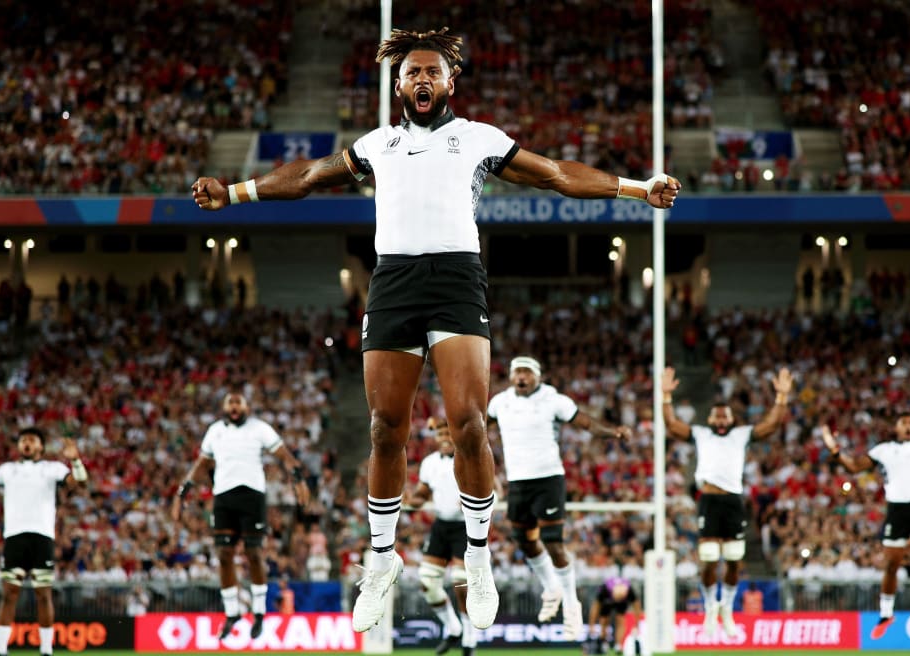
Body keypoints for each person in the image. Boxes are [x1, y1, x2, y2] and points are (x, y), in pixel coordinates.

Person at [191, 27, 680, 634]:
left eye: (432, 72)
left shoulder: (476, 138)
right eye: (411, 73)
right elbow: (311, 176)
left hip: (455, 278)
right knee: (383, 427)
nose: (422, 80)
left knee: (469, 423)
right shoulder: (379, 145)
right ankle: (380, 558)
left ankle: (478, 559)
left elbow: (554, 173)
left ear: (451, 82)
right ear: (398, 85)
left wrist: (637, 189)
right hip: (393, 280)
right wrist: (235, 193)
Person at [487, 356, 632, 640]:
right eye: (517, 372)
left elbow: (586, 422)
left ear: (538, 376)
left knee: (552, 541)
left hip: (548, 478)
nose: (521, 378)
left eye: (527, 372)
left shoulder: (554, 399)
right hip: (517, 481)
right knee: (525, 541)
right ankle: (551, 587)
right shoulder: (500, 402)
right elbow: (478, 424)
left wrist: (612, 432)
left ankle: (571, 603)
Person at [661, 366, 793, 638]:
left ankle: (727, 609)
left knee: (734, 560)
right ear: (710, 418)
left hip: (733, 500)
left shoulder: (741, 434)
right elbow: (673, 425)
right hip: (709, 499)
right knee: (709, 558)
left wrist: (781, 397)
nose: (721, 420)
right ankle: (710, 607)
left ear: (732, 419)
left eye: (725, 416)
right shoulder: (701, 434)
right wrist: (665, 396)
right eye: (717, 416)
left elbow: (770, 425)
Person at [171, 392, 309, 641]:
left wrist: (298, 480)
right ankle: (232, 611)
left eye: (238, 403)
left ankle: (258, 611)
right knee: (224, 555)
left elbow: (285, 456)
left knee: (254, 553)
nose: (234, 407)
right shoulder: (215, 431)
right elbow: (201, 464)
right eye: (230, 403)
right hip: (223, 497)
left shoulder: (260, 429)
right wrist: (182, 492)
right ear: (224, 407)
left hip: (252, 497)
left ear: (246, 406)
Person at [820, 413, 910, 648]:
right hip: (897, 510)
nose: (908, 426)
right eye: (903, 422)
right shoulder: (883, 450)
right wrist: (834, 450)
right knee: (891, 564)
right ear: (896, 427)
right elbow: (854, 466)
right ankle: (886, 614)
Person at [0, 427, 88, 656]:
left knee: (43, 594)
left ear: (40, 446)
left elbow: (79, 483)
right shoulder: (8, 470)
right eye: (23, 440)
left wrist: (76, 461)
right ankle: (0, 649)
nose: (26, 443)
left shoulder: (52, 468)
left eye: (32, 440)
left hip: (42, 536)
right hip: (14, 536)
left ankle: (46, 650)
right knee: (9, 594)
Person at [405, 418, 476, 656]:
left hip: (465, 526)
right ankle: (453, 628)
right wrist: (409, 502)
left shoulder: (470, 457)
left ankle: (469, 639)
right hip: (442, 525)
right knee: (427, 582)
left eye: (448, 431)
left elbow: (493, 490)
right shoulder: (429, 463)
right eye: (440, 433)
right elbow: (422, 494)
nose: (445, 437)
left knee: (460, 581)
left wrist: (473, 503)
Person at [586, 577, 642, 655]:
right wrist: (591, 625)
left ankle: (618, 645)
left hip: (622, 601)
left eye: (620, 599)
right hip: (607, 602)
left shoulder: (629, 591)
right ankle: (603, 642)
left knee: (621, 620)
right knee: (604, 620)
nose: (617, 601)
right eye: (617, 599)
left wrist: (636, 625)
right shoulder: (604, 590)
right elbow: (595, 607)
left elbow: (637, 607)